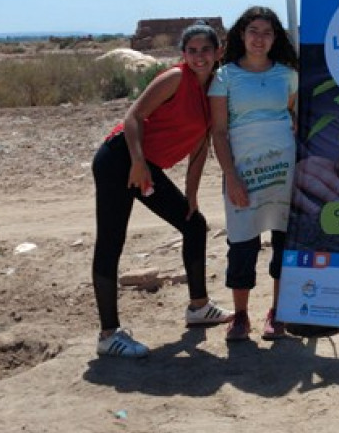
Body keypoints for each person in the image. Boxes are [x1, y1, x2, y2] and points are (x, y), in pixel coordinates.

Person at [91, 22, 234, 359]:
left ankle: (198, 307)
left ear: (218, 53)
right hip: (119, 159)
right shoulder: (175, 78)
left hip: (146, 167)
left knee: (193, 223)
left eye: (206, 50)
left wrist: (192, 194)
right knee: (111, 241)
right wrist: (138, 162)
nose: (199, 57)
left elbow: (201, 147)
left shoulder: (214, 88)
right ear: (183, 54)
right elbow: (133, 117)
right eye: (192, 51)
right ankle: (109, 334)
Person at [209, 6, 299, 342]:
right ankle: (241, 315)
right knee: (243, 242)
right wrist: (230, 176)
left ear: (275, 38)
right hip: (243, 169)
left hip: (283, 169)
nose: (259, 39)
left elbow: (291, 112)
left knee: (283, 240)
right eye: (253, 31)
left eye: (267, 32)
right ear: (241, 36)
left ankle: (278, 312)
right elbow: (219, 131)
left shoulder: (288, 74)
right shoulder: (225, 77)